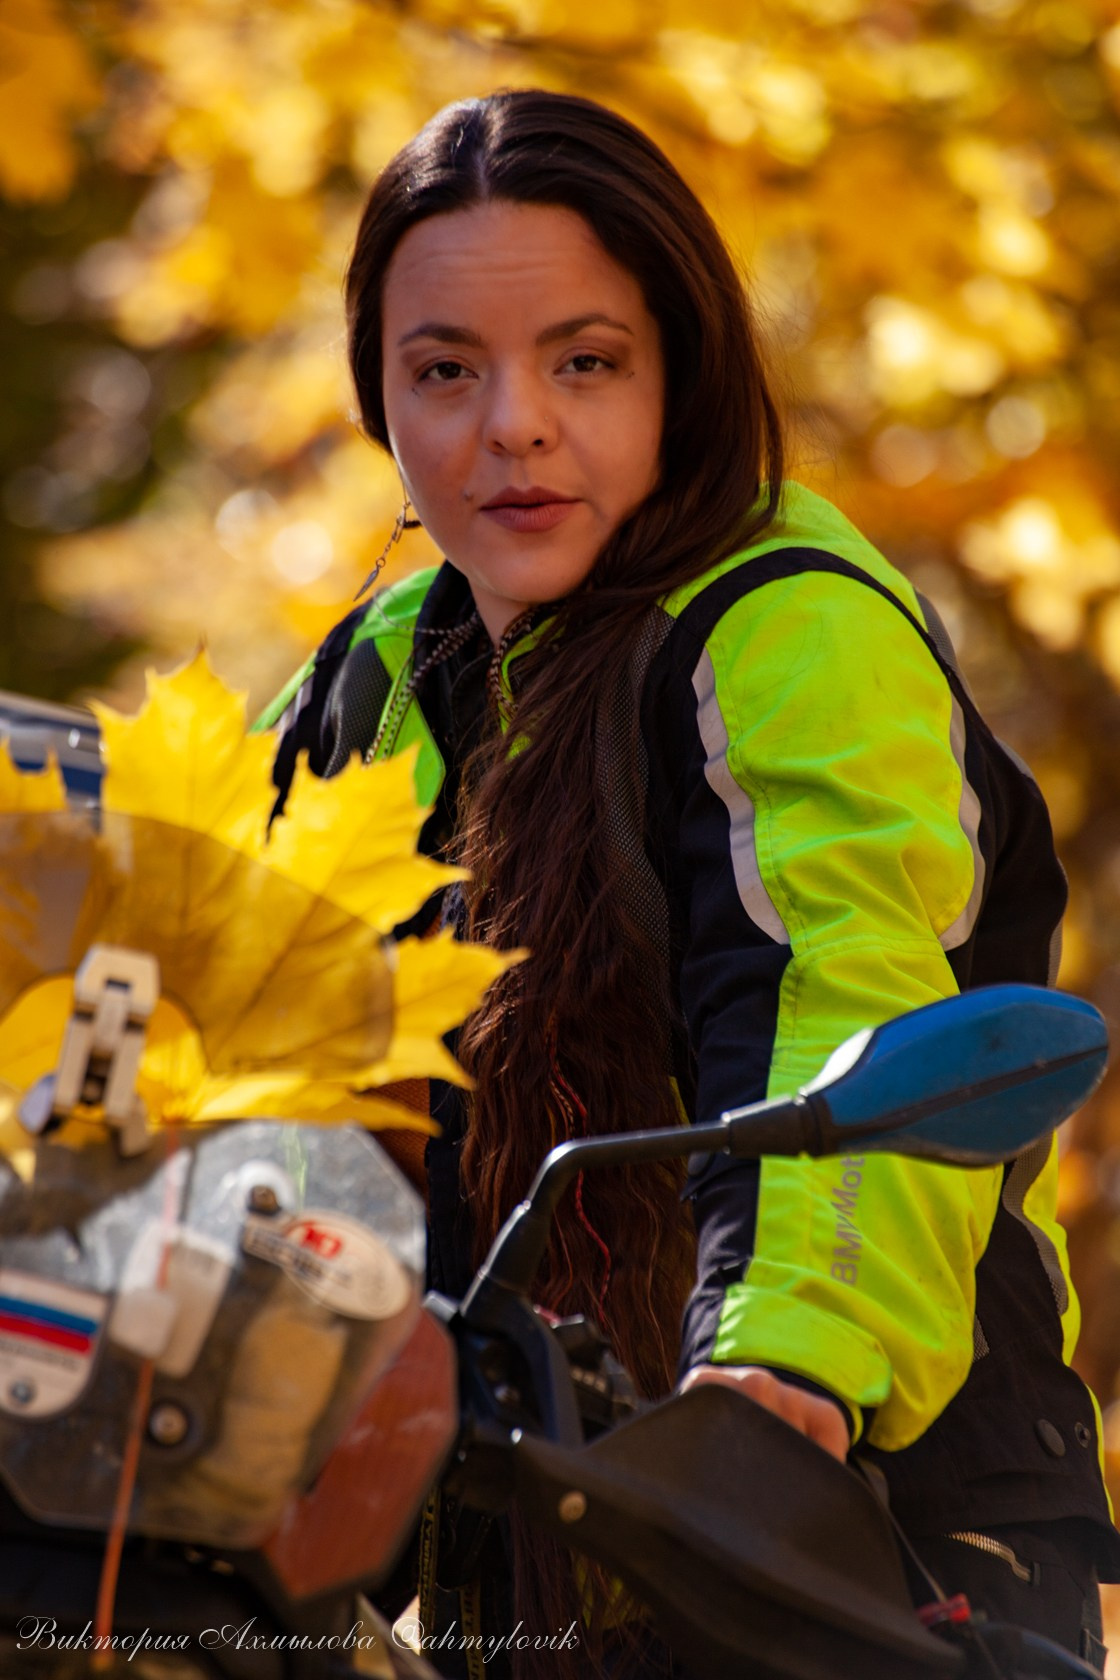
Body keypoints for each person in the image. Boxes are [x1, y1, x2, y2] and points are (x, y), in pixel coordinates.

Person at [257, 90, 1118, 1677]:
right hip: (514, 1545)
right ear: (380, 400)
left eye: (583, 361)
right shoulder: (377, 683)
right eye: (445, 371)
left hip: (856, 1538)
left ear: (683, 377)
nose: (511, 423)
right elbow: (214, 1020)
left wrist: (778, 1370)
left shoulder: (789, 628)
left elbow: (837, 986)